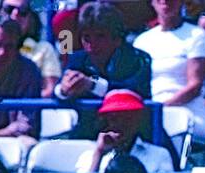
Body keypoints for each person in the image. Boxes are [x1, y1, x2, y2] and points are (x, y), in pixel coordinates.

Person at [56, 1, 154, 138]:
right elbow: (57, 93)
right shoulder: (78, 60)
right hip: (90, 132)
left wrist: (92, 85)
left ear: (117, 38)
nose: (92, 45)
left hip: (134, 133)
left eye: (100, 36)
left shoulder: (138, 59)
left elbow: (132, 91)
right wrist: (64, 89)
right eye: (87, 38)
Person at [74, 89, 177, 173]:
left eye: (127, 118)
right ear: (107, 120)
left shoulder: (159, 155)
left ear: (138, 120)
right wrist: (99, 154)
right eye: (114, 118)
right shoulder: (89, 156)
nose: (120, 124)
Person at [134, 0, 205, 142]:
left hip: (187, 113)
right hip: (149, 112)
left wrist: (159, 109)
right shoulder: (141, 41)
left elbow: (194, 87)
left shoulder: (196, 35)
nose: (165, 1)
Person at [0, 0, 62, 97]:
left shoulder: (44, 50)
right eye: (9, 9)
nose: (15, 14)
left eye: (23, 11)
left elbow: (50, 90)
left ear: (31, 18)